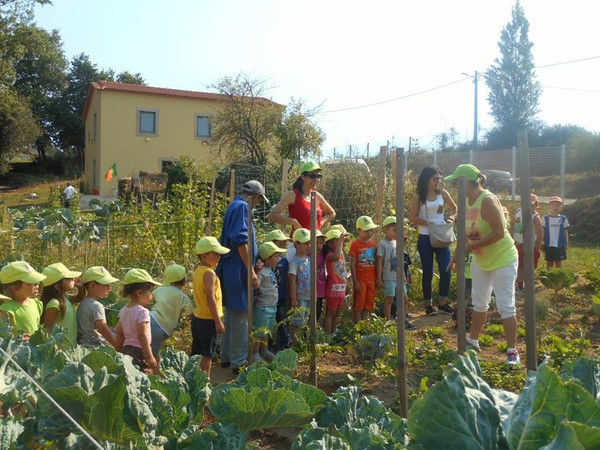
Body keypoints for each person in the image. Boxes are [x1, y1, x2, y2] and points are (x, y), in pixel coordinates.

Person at [446, 164, 520, 368]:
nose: (453, 186)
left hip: (503, 258)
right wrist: (456, 255)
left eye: (456, 182)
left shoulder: (487, 200)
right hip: (482, 260)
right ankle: (473, 342)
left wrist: (470, 248)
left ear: (467, 182)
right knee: (479, 302)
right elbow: (465, 234)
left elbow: (499, 232)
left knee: (505, 305)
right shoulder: (465, 203)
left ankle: (512, 350)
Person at [217, 180, 266, 374]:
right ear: (254, 196)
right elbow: (240, 241)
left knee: (232, 314)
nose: (258, 204)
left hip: (234, 267)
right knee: (241, 316)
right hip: (237, 269)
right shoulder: (241, 208)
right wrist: (251, 270)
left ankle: (226, 356)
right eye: (259, 200)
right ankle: (238, 361)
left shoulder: (236, 205)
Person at [409, 166, 457, 316]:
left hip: (442, 236)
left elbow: (455, 208)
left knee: (445, 269)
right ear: (427, 179)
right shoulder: (419, 195)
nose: (438, 181)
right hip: (425, 237)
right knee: (428, 271)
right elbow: (412, 218)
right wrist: (428, 223)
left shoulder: (443, 194)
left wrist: (451, 218)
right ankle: (428, 305)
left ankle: (443, 302)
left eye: (439, 178)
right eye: (435, 178)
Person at [267, 161, 336, 260]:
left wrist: (320, 223)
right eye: (312, 176)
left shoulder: (316, 196)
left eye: (319, 176)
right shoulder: (292, 195)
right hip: (297, 246)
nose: (316, 179)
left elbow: (331, 213)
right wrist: (293, 222)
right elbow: (272, 215)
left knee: (315, 274)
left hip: (314, 246)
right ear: (303, 176)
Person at [193, 236, 230, 378]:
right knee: (207, 354)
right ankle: (205, 383)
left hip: (198, 316)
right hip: (208, 319)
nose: (219, 257)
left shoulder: (198, 271)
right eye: (215, 254)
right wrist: (218, 321)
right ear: (204, 256)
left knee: (197, 352)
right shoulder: (209, 273)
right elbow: (210, 298)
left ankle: (195, 380)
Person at [149, 264, 194, 372]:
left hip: (150, 318)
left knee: (147, 351)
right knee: (153, 355)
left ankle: (153, 374)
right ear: (184, 280)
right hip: (162, 328)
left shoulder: (160, 290)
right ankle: (153, 377)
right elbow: (190, 315)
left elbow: (147, 300)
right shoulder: (183, 297)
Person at [114, 269, 161, 372]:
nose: (151, 295)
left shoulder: (123, 310)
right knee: (140, 377)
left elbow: (120, 334)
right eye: (150, 292)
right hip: (139, 351)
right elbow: (142, 335)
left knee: (128, 375)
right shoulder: (142, 312)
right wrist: (149, 356)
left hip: (126, 349)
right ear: (140, 292)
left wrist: (116, 351)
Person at [377, 217, 417, 330]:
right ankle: (387, 322)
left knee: (404, 299)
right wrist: (379, 279)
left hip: (399, 277)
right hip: (389, 277)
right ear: (385, 229)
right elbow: (379, 262)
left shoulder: (397, 243)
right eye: (394, 230)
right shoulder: (382, 244)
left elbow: (400, 262)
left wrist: (404, 275)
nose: (396, 232)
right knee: (389, 298)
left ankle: (403, 321)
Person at [252, 242, 286, 362]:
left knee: (266, 331)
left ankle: (264, 351)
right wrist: (256, 272)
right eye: (276, 256)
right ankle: (255, 353)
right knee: (260, 332)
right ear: (267, 258)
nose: (278, 259)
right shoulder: (261, 272)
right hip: (263, 307)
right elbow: (256, 286)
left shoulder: (269, 269)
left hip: (272, 306)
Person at [40, 263, 83, 347]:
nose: (73, 279)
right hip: (61, 352)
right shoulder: (55, 304)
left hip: (70, 351)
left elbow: (80, 298)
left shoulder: (65, 298)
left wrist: (80, 287)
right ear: (57, 286)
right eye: (69, 278)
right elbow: (46, 330)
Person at [77, 266, 119, 348]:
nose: (109, 288)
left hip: (82, 346)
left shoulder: (83, 303)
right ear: (92, 286)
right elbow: (102, 328)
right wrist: (116, 344)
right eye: (106, 285)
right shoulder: (97, 306)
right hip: (94, 347)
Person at [0, 261, 46, 338]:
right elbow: (3, 336)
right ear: (16, 288)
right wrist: (18, 339)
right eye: (32, 282)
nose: (37, 285)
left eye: (37, 282)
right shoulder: (7, 310)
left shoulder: (36, 304)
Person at [511, 194, 543, 290]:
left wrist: (536, 247)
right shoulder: (518, 211)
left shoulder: (535, 217)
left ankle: (528, 284)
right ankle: (519, 284)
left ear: (536, 204)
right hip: (517, 243)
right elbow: (512, 225)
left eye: (532, 205)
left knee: (528, 266)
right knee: (519, 265)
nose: (529, 207)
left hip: (528, 245)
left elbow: (540, 233)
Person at [265, 229, 291, 350]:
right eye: (279, 244)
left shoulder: (284, 261)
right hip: (268, 299)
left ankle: (284, 343)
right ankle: (268, 345)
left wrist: (289, 295)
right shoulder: (264, 261)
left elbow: (287, 278)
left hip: (281, 296)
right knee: (268, 323)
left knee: (282, 320)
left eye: (282, 245)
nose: (281, 247)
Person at [349, 215, 378, 324]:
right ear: (358, 230)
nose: (369, 233)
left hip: (372, 279)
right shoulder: (355, 244)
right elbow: (352, 263)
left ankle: (365, 326)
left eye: (371, 230)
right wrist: (355, 281)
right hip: (360, 280)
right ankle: (356, 328)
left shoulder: (373, 244)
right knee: (359, 304)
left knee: (369, 303)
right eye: (366, 231)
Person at [288, 228, 311, 344]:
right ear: (296, 243)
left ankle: (303, 342)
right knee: (298, 321)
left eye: (309, 243)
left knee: (306, 320)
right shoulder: (294, 262)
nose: (308, 246)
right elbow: (292, 281)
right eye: (306, 243)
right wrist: (294, 298)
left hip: (309, 296)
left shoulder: (310, 260)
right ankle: (295, 342)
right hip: (300, 297)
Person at [323, 229, 348, 334]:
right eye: (337, 241)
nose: (340, 243)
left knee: (337, 312)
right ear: (330, 244)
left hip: (341, 288)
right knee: (330, 313)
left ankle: (333, 332)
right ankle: (327, 335)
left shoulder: (341, 253)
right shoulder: (329, 256)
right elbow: (336, 257)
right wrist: (341, 242)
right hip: (333, 289)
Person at [543, 196, 570, 269]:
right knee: (549, 262)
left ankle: (557, 277)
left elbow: (565, 230)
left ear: (561, 207)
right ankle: (549, 277)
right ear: (550, 206)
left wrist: (566, 242)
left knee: (558, 262)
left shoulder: (563, 218)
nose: (556, 207)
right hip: (549, 244)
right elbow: (543, 231)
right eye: (553, 205)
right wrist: (541, 241)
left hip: (559, 244)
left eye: (558, 205)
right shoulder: (546, 218)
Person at [315, 230, 326, 323]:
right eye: (316, 243)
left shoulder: (322, 255)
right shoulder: (309, 256)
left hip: (321, 288)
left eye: (321, 243)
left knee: (318, 311)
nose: (319, 246)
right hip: (312, 289)